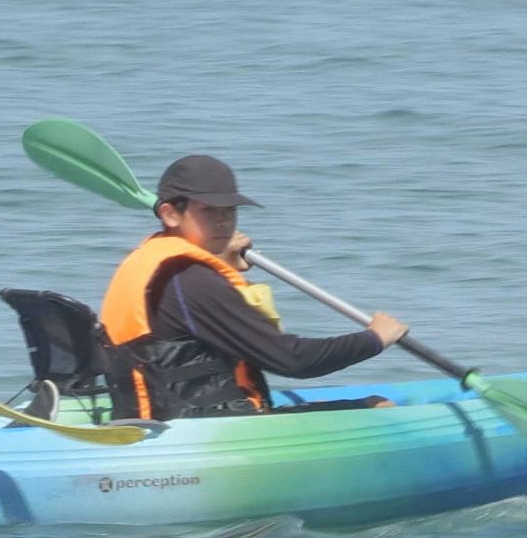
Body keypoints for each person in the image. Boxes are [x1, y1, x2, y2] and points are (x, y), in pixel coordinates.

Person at [99, 154, 409, 422]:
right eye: (209, 210)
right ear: (169, 213)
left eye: (230, 211)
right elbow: (292, 359)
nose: (224, 222)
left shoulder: (157, 262)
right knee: (378, 406)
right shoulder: (193, 280)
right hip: (208, 429)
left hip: (155, 418)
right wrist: (373, 340)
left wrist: (221, 262)